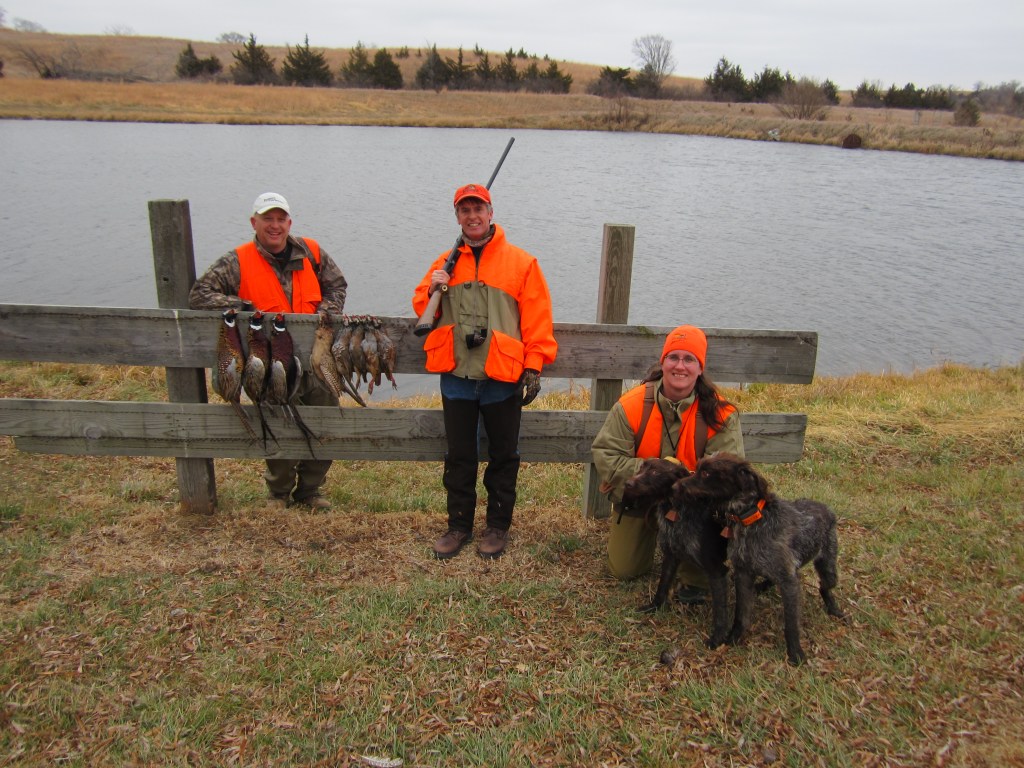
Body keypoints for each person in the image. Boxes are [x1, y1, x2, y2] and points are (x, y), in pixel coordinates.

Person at [412, 183, 557, 560]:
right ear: (457, 216)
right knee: (459, 455)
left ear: (491, 214)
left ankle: (497, 526)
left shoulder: (522, 263)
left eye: (478, 209)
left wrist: (534, 365)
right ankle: (458, 526)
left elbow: (538, 320)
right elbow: (421, 309)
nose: (472, 216)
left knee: (504, 456)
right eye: (465, 210)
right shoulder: (444, 262)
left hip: (502, 376)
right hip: (457, 375)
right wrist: (433, 288)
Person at [189, 192, 349, 511]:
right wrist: (244, 307)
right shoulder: (237, 261)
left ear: (289, 222)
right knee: (277, 423)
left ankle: (310, 490)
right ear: (254, 222)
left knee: (325, 422)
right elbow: (199, 295)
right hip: (270, 361)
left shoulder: (312, 253)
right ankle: (279, 493)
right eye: (267, 219)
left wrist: (326, 311)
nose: (275, 226)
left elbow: (337, 285)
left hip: (316, 359)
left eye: (280, 219)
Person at [591, 324, 744, 602]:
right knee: (624, 570)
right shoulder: (631, 405)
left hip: (695, 508)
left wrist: (679, 483)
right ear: (662, 363)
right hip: (642, 498)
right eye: (673, 357)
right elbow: (607, 456)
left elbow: (728, 477)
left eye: (689, 359)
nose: (680, 366)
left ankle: (692, 565)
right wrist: (658, 476)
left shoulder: (721, 414)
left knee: (700, 578)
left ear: (700, 368)